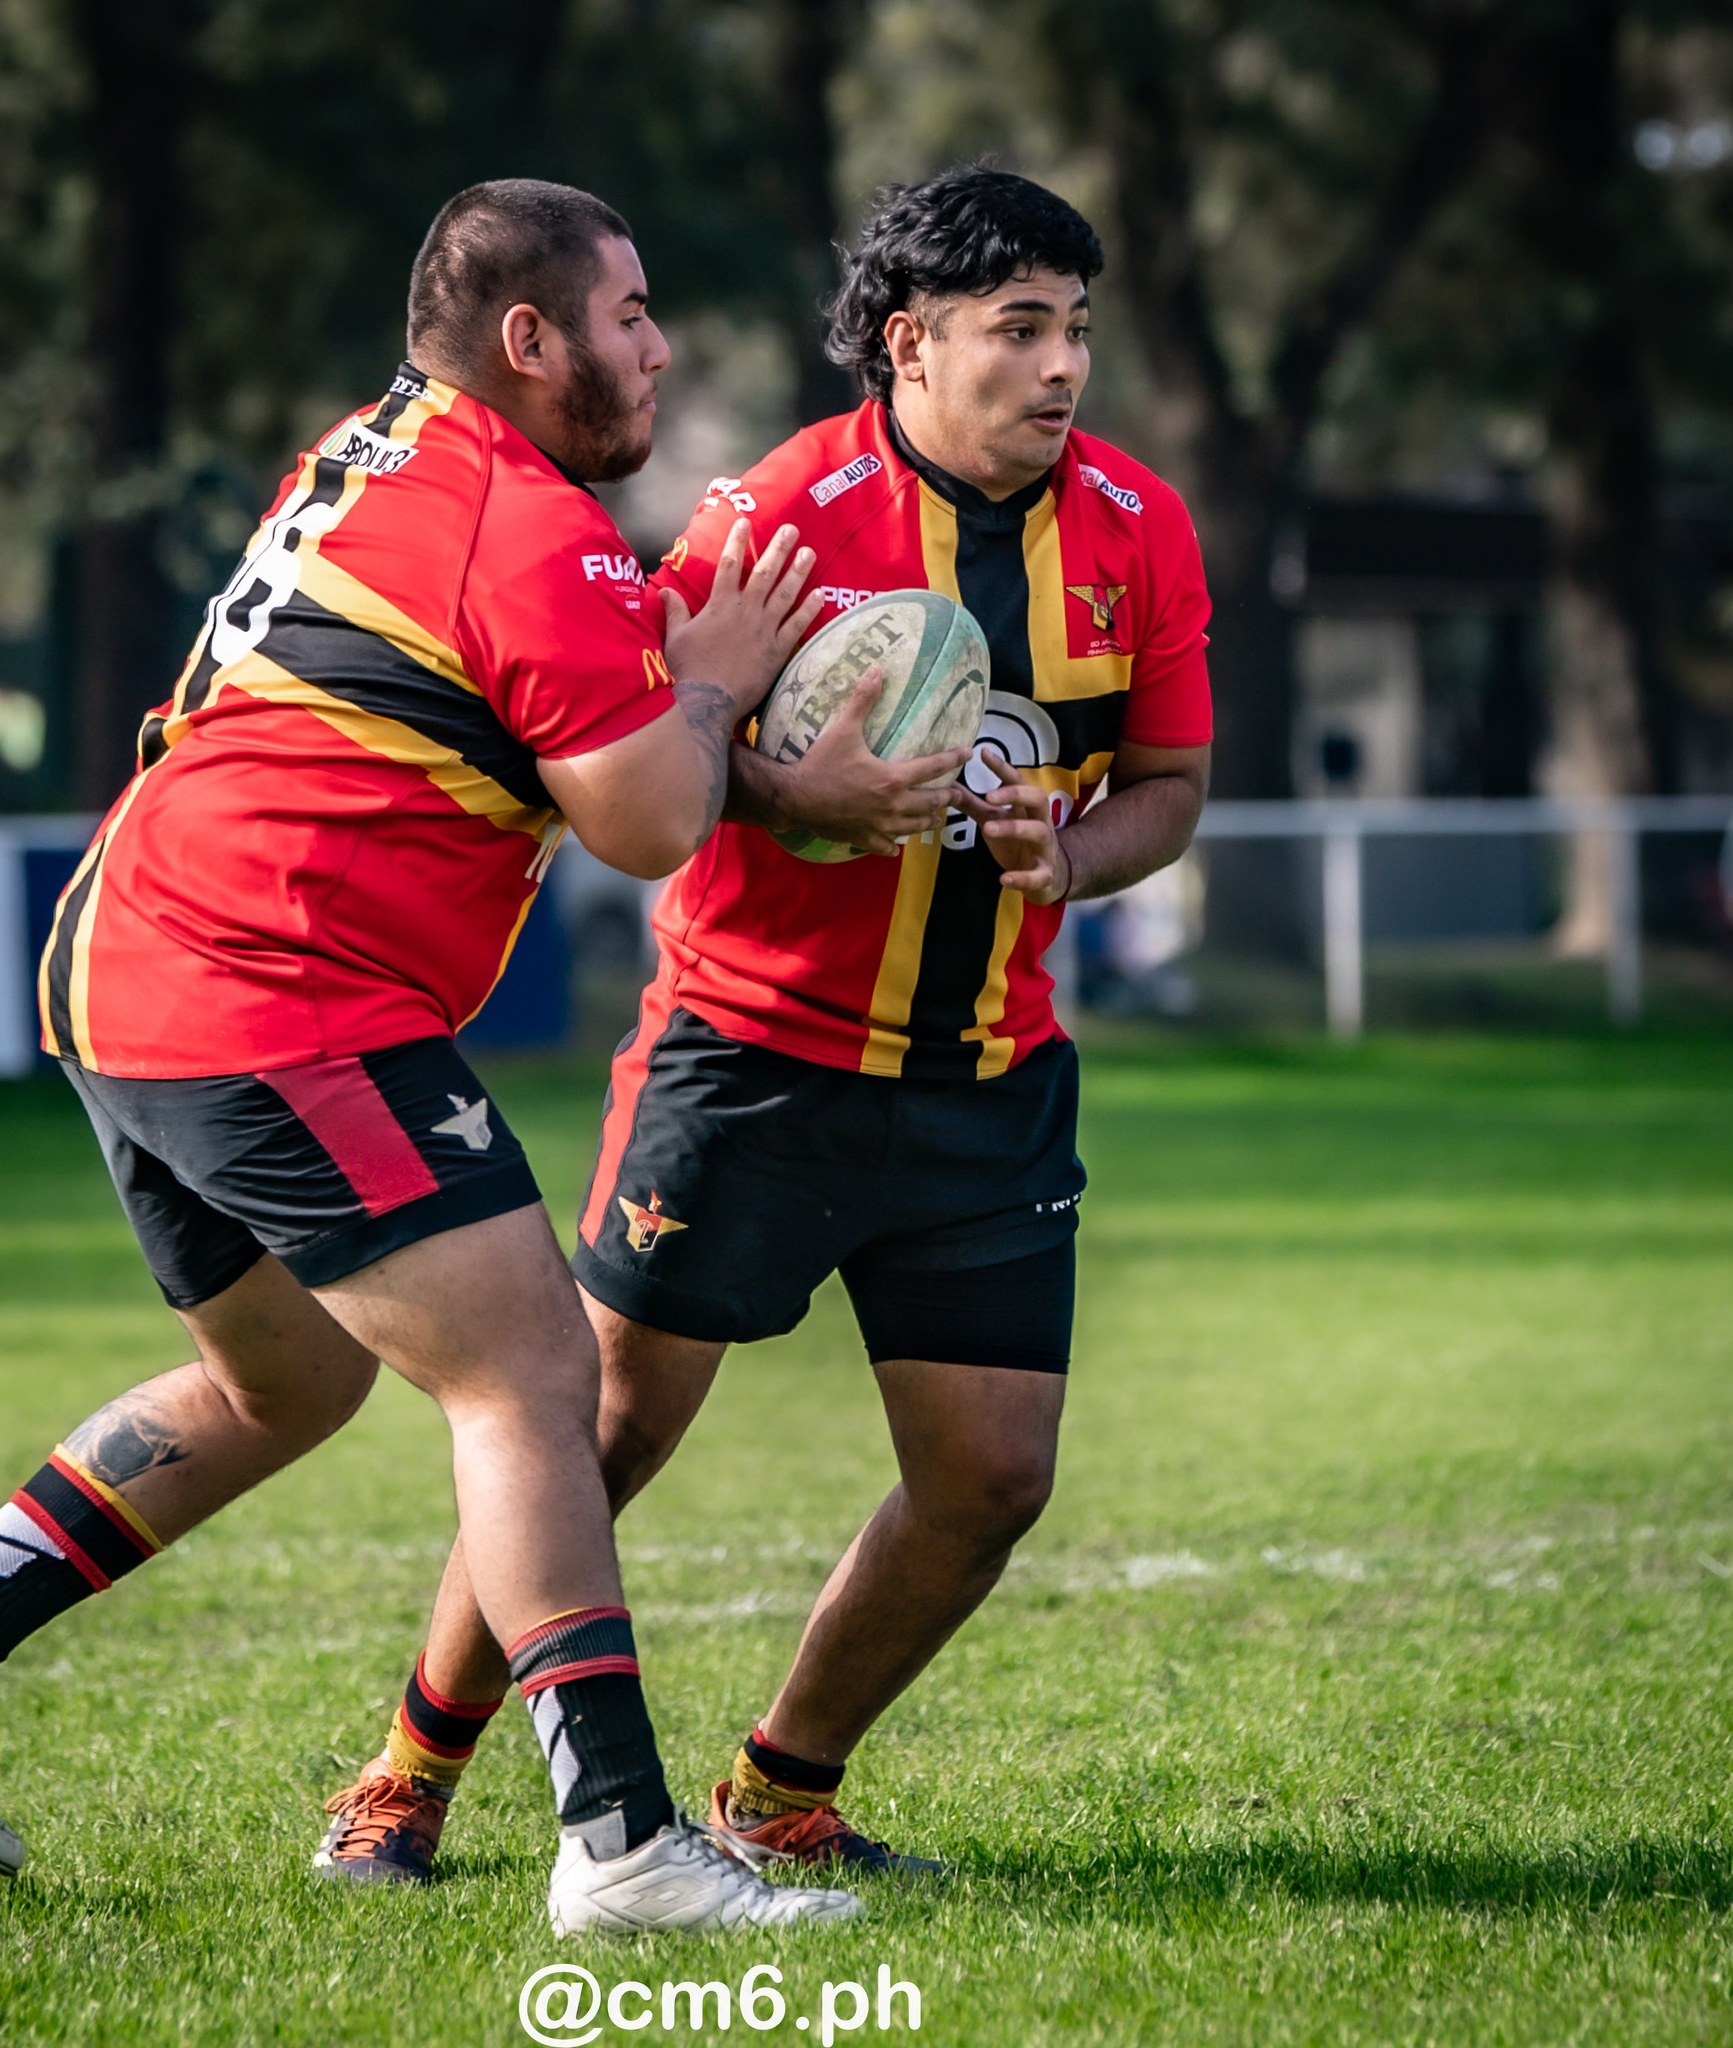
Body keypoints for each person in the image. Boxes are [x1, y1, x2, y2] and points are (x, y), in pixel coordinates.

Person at [0, 179, 862, 1936]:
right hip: (269, 980)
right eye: (628, 311)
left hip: (126, 957)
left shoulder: (379, 442)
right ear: (527, 341)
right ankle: (620, 1843)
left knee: (286, 1382)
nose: (659, 344)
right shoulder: (529, 525)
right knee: (532, 1369)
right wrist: (712, 673)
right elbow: (656, 821)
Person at [362, 165, 1214, 1881]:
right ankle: (402, 1781)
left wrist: (1074, 852)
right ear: (907, 343)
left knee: (989, 1475)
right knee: (596, 1433)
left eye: (1078, 333)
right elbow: (656, 761)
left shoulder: (1139, 525)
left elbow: (1174, 785)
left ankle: (779, 1790)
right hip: (747, 1056)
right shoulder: (773, 514)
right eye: (1019, 331)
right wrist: (787, 783)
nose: (1062, 370)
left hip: (985, 1076)